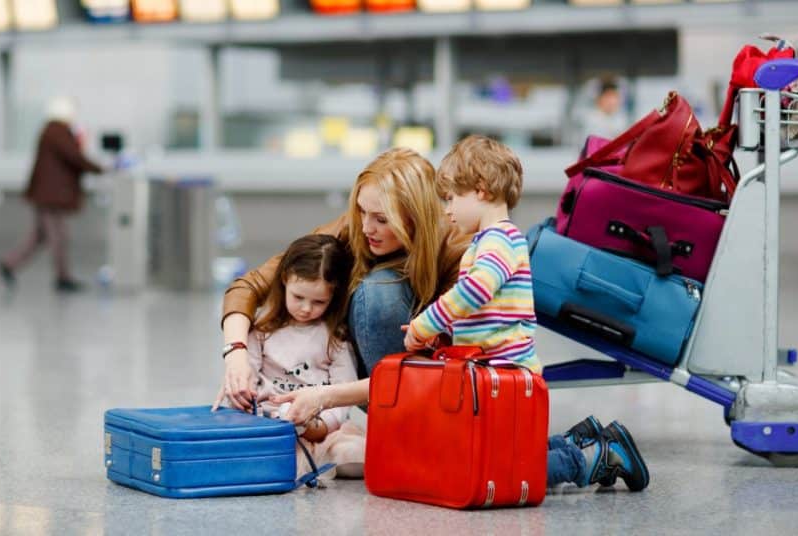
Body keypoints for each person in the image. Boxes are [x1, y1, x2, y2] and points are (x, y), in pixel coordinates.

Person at [271, 137, 650, 492]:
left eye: (452, 198)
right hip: (491, 371)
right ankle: (582, 441)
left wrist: (425, 324)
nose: (447, 210)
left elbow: (472, 293)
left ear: (481, 191)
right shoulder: (490, 242)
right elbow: (479, 309)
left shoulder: (499, 240)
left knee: (490, 469)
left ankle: (591, 460)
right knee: (492, 454)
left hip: (504, 373)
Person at [216, 147, 469, 412]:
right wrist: (236, 356)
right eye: (361, 211)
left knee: (379, 291)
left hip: (429, 386)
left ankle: (399, 423)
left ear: (415, 217)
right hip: (361, 378)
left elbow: (445, 361)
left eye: (382, 219)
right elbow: (248, 287)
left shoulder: (456, 250)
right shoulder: (351, 230)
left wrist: (327, 397)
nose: (366, 227)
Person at [215, 234, 365, 479]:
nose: (306, 308)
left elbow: (343, 394)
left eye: (318, 301)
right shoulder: (262, 331)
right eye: (298, 297)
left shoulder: (334, 338)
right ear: (285, 280)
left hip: (320, 429)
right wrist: (243, 396)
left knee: (352, 452)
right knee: (277, 457)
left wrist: (317, 427)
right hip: (270, 426)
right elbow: (247, 378)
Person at [0, 96, 104, 292]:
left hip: (44, 193)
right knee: (59, 236)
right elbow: (74, 157)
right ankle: (62, 278)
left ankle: (9, 264)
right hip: (52, 195)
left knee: (40, 236)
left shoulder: (51, 131)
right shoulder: (58, 131)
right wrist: (100, 168)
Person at [578, 76, 628, 142]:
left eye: (615, 97)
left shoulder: (620, 119)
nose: (612, 101)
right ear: (599, 98)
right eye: (608, 97)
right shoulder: (590, 119)